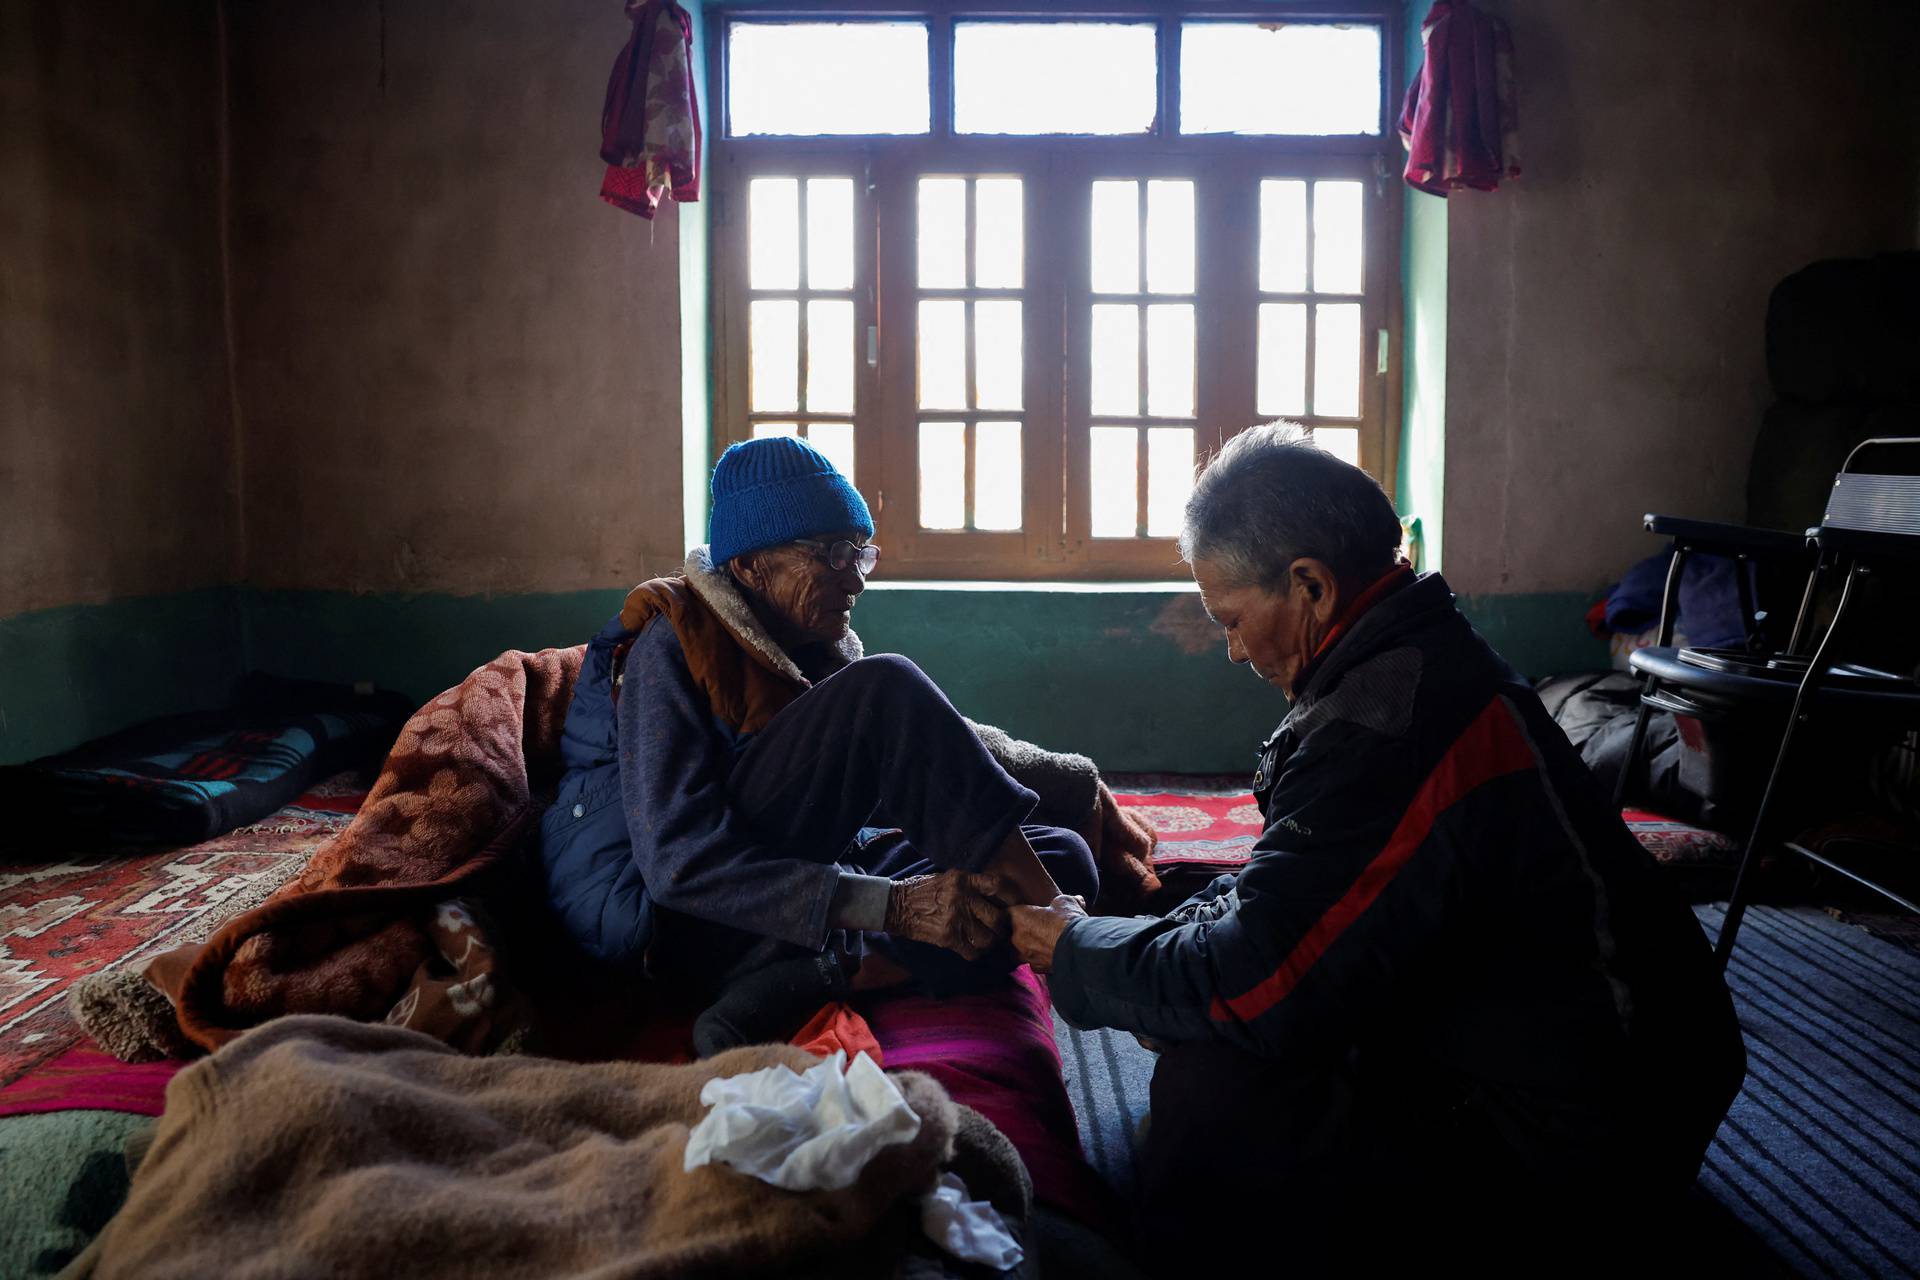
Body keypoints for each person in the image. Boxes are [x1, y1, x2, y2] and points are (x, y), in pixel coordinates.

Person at [1010, 424, 1746, 1273]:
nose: (1237, 650)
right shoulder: (1415, 658)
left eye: (1236, 621)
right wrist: (1160, 934)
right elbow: (1311, 888)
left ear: (1311, 586)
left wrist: (1077, 952)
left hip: (1582, 1127)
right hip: (1589, 1065)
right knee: (1196, 971)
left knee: (1212, 1090)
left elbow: (1263, 981)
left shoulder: (1388, 716)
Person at [541, 434, 1157, 1055]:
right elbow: (680, 865)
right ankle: (1087, 958)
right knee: (889, 688)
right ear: (751, 566)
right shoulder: (669, 651)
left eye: (860, 555)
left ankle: (815, 979)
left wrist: (1073, 784)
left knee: (1059, 856)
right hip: (672, 923)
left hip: (773, 891)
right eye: (832, 555)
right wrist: (895, 907)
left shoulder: (804, 648)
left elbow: (944, 746)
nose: (856, 582)